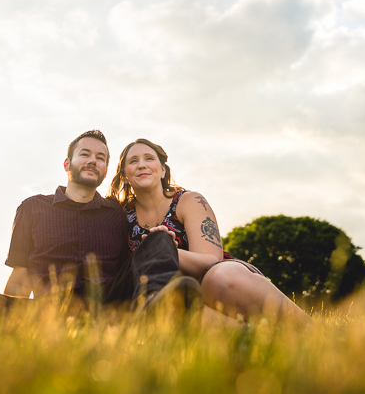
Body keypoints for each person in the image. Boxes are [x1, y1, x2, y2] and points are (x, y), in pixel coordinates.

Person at [0, 130, 202, 324]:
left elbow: (133, 265)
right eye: (85, 154)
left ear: (105, 171)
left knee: (159, 239)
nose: (93, 161)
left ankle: (161, 307)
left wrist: (161, 241)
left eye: (101, 158)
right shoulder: (32, 208)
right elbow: (20, 276)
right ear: (67, 164)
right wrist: (10, 313)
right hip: (49, 309)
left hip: (108, 303)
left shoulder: (116, 213)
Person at [107, 138, 311, 324]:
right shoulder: (121, 215)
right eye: (133, 161)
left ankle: (311, 328)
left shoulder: (188, 201)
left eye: (149, 158)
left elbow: (212, 260)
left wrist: (163, 250)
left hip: (213, 282)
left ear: (162, 170)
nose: (141, 164)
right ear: (125, 176)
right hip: (176, 301)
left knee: (219, 277)